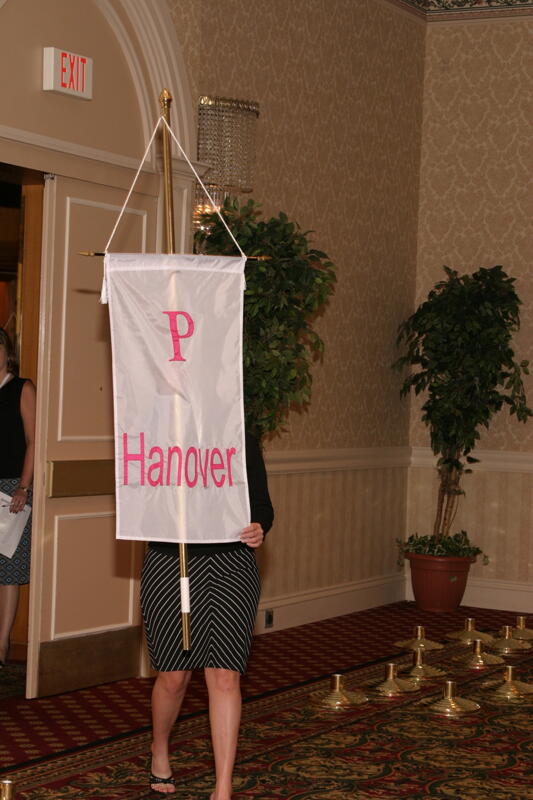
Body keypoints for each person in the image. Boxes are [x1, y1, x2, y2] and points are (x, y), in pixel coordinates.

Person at [141, 431, 274, 798]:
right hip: (171, 563)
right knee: (173, 678)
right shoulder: (158, 432)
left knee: (225, 676)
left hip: (232, 564)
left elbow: (262, 505)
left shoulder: (237, 433)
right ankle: (160, 748)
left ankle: (223, 787)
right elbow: (140, 499)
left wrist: (259, 527)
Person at [0, 328, 36, 668]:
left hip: (13, 489)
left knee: (8, 570)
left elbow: (33, 440)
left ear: (6, 352)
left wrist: (23, 487)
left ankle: (2, 643)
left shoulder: (22, 387)